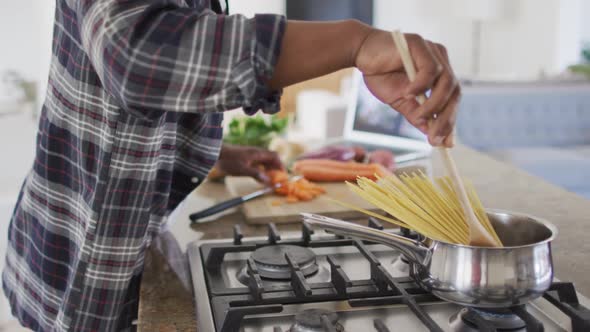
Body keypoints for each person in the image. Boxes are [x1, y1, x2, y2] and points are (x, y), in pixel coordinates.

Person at [2, 0, 460, 331]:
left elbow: (130, 100)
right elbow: (137, 55)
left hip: (121, 243)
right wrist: (354, 42)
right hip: (79, 259)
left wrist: (218, 154)